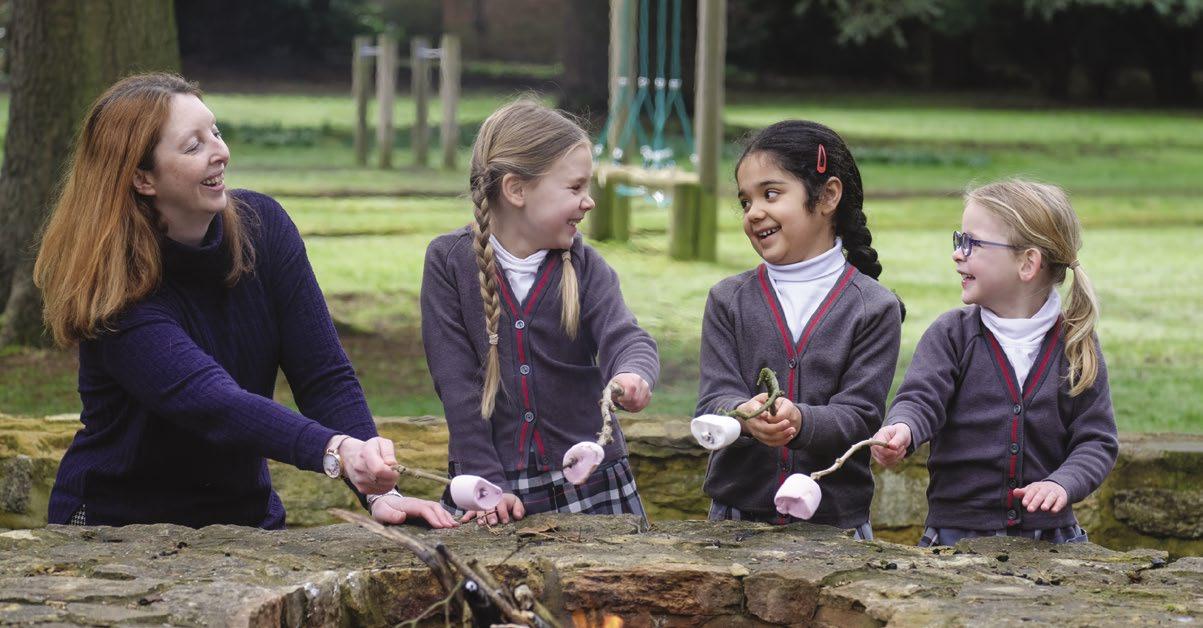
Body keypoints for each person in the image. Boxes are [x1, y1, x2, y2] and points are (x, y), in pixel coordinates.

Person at [34, 73, 455, 529]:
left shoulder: (263, 227)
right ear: (142, 178)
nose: (221, 152)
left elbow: (323, 376)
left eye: (215, 132)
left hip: (246, 520)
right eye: (193, 146)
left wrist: (380, 491)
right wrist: (335, 450)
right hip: (118, 529)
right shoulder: (114, 294)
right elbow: (214, 404)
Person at [421, 100, 659, 524]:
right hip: (492, 484)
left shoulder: (585, 265)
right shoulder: (449, 263)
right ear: (516, 190)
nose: (589, 202)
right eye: (575, 188)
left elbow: (625, 335)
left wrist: (633, 373)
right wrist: (485, 480)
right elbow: (456, 384)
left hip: (591, 483)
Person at [871, 179, 1118, 546]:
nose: (958, 254)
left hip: (1051, 542)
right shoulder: (951, 335)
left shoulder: (1077, 344)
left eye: (972, 243)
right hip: (954, 539)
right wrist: (903, 427)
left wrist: (1062, 483)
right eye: (959, 240)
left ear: (1028, 263)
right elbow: (921, 398)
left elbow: (1096, 441)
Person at [697, 120, 903, 539]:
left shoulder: (874, 307)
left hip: (836, 528)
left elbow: (861, 416)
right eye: (745, 201)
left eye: (770, 194)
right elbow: (713, 399)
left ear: (827, 196)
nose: (754, 212)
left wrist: (800, 421)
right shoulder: (727, 299)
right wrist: (745, 416)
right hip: (735, 521)